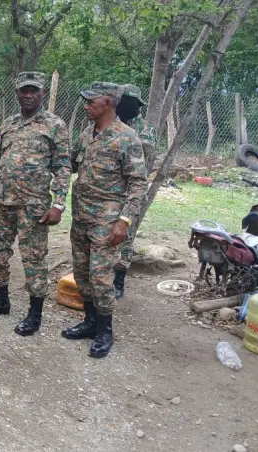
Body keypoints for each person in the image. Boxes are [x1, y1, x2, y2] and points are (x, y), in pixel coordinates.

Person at [0, 72, 72, 337]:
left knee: (33, 259)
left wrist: (59, 205)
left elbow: (63, 167)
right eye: (23, 90)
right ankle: (1, 300)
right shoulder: (8, 124)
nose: (28, 95)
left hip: (34, 206)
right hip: (3, 202)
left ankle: (34, 314)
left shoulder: (55, 125)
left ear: (42, 93)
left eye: (33, 91)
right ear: (17, 93)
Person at [64, 82, 148, 358]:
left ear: (108, 103)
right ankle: (90, 322)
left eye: (91, 102)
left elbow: (138, 183)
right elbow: (70, 164)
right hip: (81, 216)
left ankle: (105, 331)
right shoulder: (86, 134)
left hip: (107, 220)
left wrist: (124, 221)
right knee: (82, 273)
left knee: (100, 277)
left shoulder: (127, 138)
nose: (86, 106)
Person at [113, 84, 157, 300]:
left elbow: (142, 157)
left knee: (126, 237)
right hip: (110, 192)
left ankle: (119, 280)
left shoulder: (144, 130)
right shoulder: (112, 124)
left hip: (132, 192)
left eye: (130, 102)